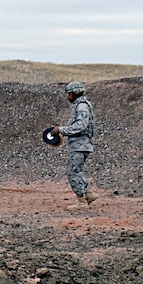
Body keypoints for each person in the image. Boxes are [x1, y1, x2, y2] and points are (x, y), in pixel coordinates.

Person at [49, 81, 97, 211]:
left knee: (72, 171)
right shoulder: (80, 105)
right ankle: (89, 194)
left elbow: (81, 125)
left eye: (69, 94)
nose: (68, 97)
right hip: (80, 145)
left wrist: (61, 130)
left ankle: (81, 202)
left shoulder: (81, 107)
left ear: (75, 93)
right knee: (76, 170)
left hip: (80, 145)